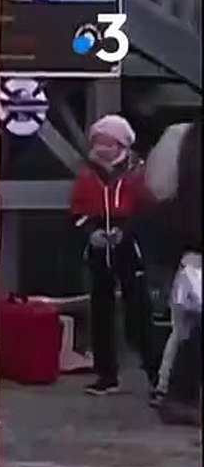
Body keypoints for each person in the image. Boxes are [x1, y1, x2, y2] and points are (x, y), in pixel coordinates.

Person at [68, 114, 157, 396]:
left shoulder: (138, 174)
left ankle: (156, 374)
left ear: (121, 144)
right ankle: (106, 376)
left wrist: (127, 233)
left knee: (138, 313)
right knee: (101, 312)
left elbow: (148, 212)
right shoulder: (86, 175)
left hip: (129, 248)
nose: (101, 147)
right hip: (98, 248)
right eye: (97, 141)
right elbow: (76, 211)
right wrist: (89, 233)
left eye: (107, 141)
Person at [142, 121, 202, 424]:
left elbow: (158, 188)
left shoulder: (182, 136)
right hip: (193, 248)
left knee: (186, 327)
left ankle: (172, 391)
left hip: (191, 246)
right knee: (189, 326)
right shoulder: (183, 136)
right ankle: (177, 394)